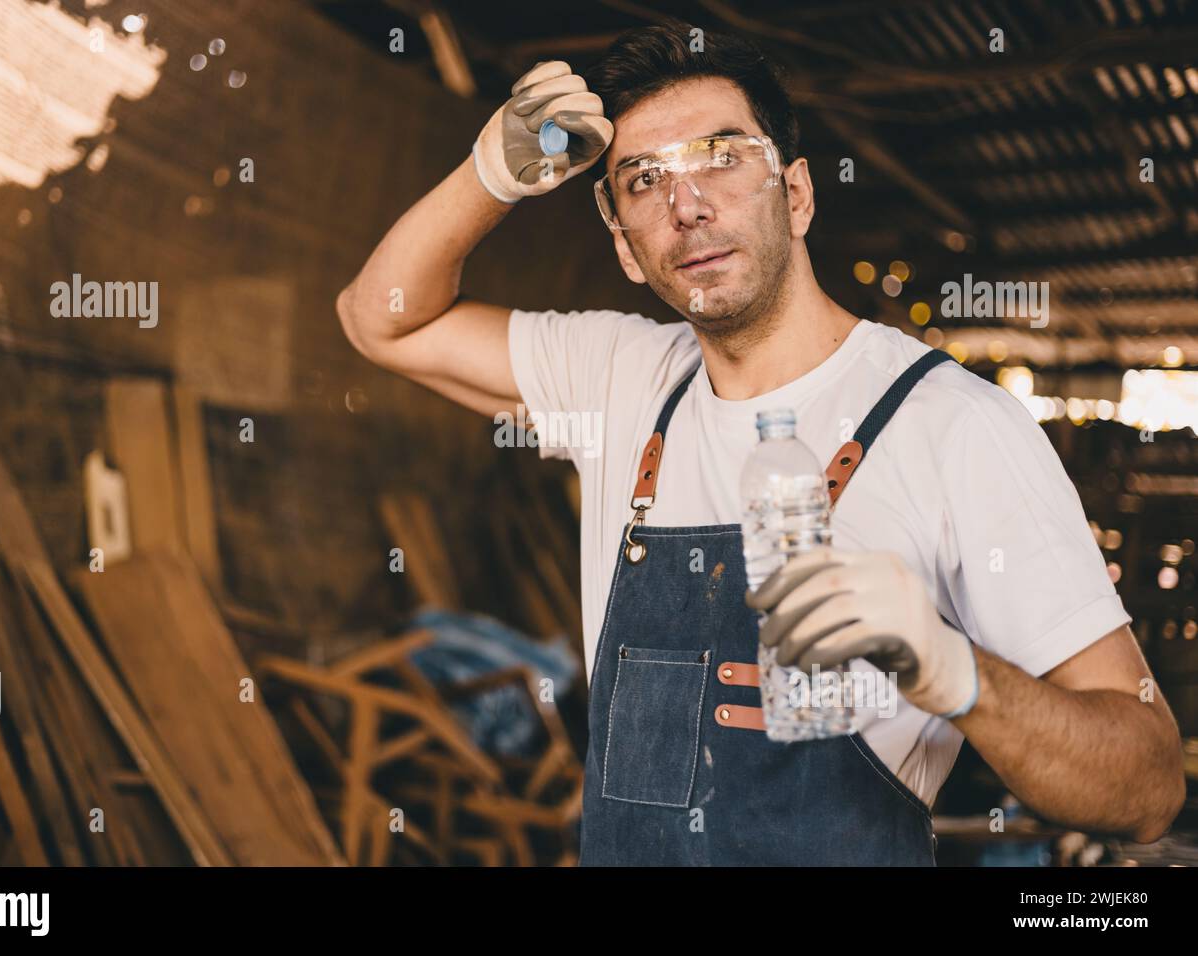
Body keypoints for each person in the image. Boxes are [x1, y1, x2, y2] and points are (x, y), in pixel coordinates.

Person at [337, 19, 1185, 865]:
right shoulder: (620, 378)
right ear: (625, 246)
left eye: (722, 154)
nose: (686, 203)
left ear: (799, 194)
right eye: (643, 180)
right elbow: (383, 322)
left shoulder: (956, 425)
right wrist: (493, 175)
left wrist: (953, 672)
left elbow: (1148, 786)